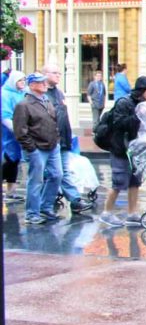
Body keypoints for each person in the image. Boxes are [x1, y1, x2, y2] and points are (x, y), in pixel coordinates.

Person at [97, 76, 146, 227]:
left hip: (134, 150)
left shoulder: (141, 104)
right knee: (118, 182)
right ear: (141, 90)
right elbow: (119, 123)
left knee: (134, 182)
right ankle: (107, 213)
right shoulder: (124, 103)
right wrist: (138, 117)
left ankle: (132, 213)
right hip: (120, 149)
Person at [12, 72, 62, 226]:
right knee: (36, 180)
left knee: (57, 175)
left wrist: (57, 139)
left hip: (52, 145)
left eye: (44, 82)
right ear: (32, 85)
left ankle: (45, 207)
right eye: (41, 82)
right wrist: (31, 149)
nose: (45, 84)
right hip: (37, 148)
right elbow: (20, 131)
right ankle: (32, 213)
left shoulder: (46, 100)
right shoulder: (24, 105)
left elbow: (53, 122)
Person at [42, 64, 89, 213]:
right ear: (45, 74)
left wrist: (68, 138)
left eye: (59, 73)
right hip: (48, 142)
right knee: (53, 174)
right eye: (54, 72)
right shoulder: (42, 95)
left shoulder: (59, 93)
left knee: (61, 172)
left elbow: (64, 118)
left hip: (61, 140)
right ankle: (45, 205)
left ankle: (73, 201)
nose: (58, 75)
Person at [2, 71, 27, 200]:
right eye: (20, 80)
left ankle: (11, 192)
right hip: (8, 135)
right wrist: (16, 129)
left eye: (24, 80)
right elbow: (4, 116)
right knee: (7, 161)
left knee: (14, 162)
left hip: (20, 134)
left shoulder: (23, 93)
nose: (22, 82)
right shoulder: (5, 94)